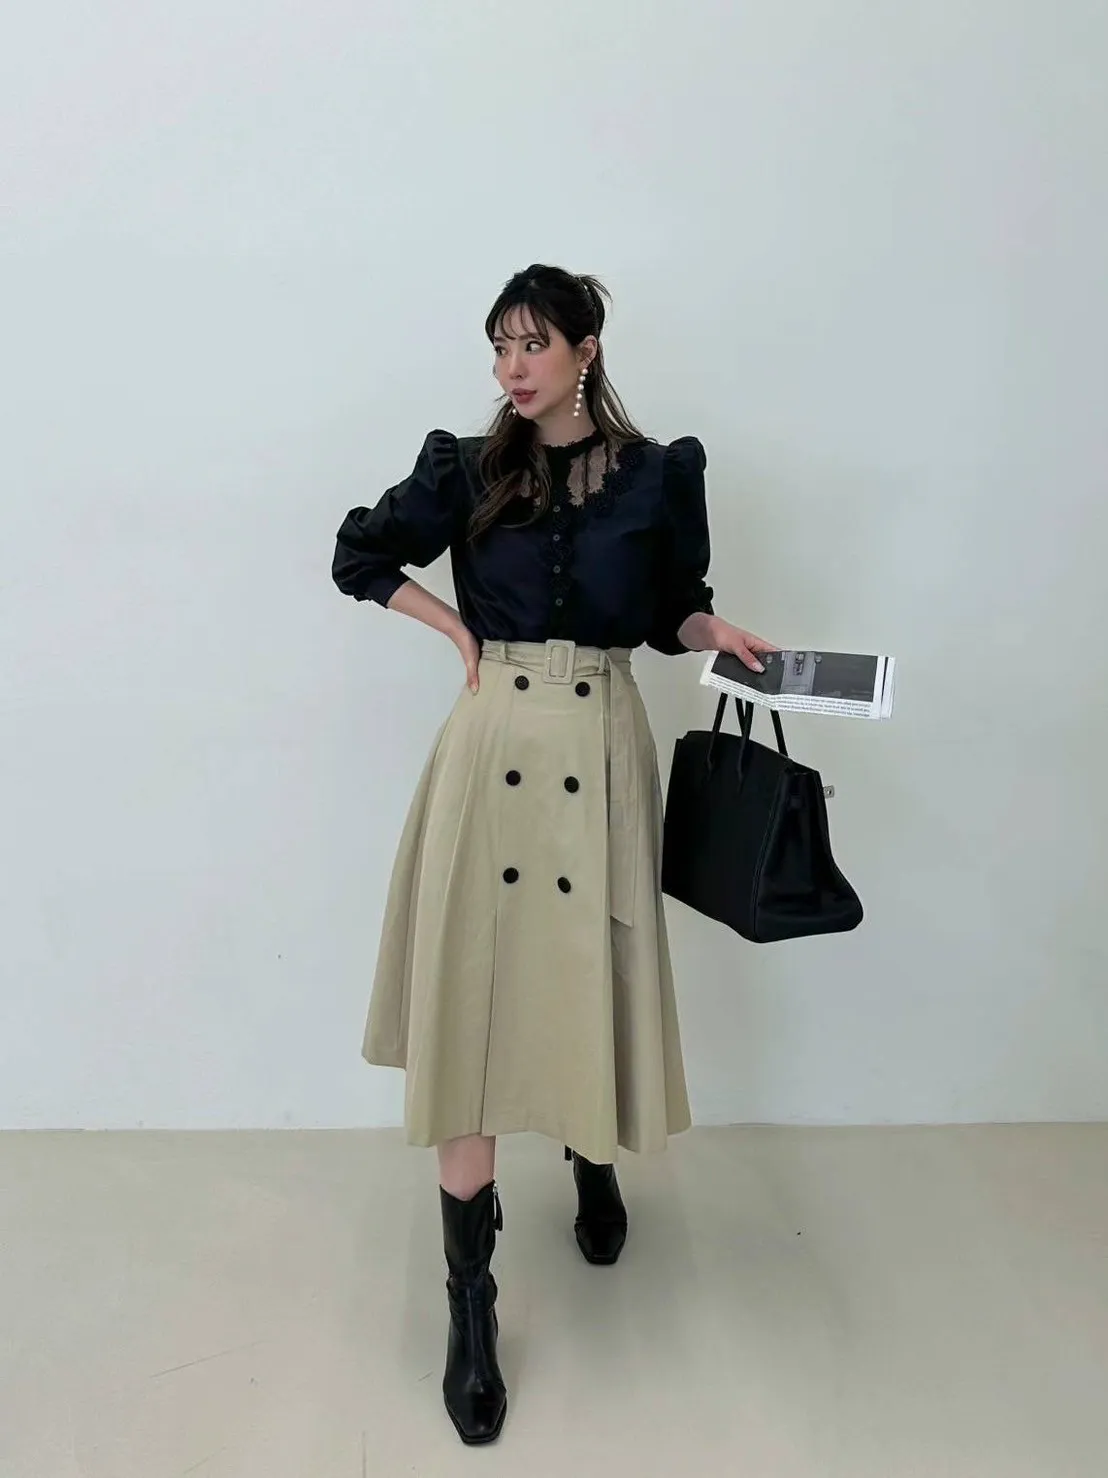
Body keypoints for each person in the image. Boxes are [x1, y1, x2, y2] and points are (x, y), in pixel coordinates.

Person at [331, 264, 775, 1446]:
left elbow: (672, 606)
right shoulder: (468, 468)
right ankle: (471, 1309)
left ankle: (590, 1154)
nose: (509, 368)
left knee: (585, 961)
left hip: (603, 737)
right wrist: (457, 631)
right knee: (474, 1000)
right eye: (497, 347)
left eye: (530, 344)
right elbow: (358, 555)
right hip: (495, 749)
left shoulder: (658, 473)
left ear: (585, 349)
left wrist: (712, 630)